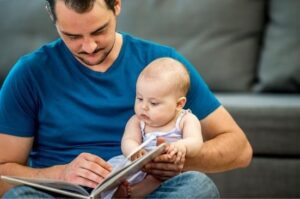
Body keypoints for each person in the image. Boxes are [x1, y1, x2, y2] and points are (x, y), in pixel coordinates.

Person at [0, 0, 252, 198]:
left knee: (197, 188)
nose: (88, 47)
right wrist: (61, 173)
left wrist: (175, 160)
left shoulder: (164, 67)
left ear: (117, 4)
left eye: (99, 31)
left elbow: (239, 149)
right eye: (72, 36)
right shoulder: (30, 74)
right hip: (61, 195)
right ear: (51, 16)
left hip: (145, 193)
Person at [106, 57, 204, 198]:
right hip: (139, 165)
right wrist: (134, 151)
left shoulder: (186, 119)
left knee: (195, 182)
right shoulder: (137, 120)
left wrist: (181, 146)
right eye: (139, 98)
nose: (144, 107)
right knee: (112, 169)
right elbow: (128, 140)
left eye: (153, 103)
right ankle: (115, 192)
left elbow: (196, 142)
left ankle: (133, 193)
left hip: (167, 171)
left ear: (179, 104)